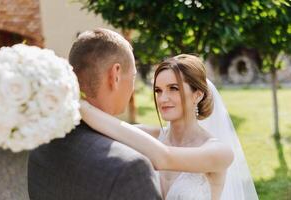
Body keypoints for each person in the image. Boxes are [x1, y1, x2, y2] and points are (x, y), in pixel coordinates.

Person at [80, 54, 259, 200]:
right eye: (158, 90)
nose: (163, 98)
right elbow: (111, 128)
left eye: (173, 88)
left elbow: (163, 158)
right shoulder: (151, 135)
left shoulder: (220, 152)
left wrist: (79, 104)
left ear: (197, 94)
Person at [27, 28, 162, 200]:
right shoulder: (130, 169)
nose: (133, 87)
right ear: (115, 75)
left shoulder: (42, 146)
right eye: (133, 77)